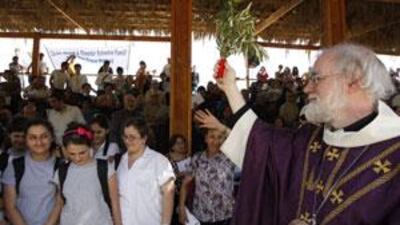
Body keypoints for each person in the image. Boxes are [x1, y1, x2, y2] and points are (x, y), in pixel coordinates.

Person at [202, 43, 400, 225]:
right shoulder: (308, 138)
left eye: (316, 79)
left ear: (354, 81)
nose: (307, 88)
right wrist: (230, 87)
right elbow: (261, 145)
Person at [53, 123, 122, 225]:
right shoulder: (62, 171)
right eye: (72, 154)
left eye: (82, 153)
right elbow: (59, 203)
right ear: (65, 150)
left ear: (91, 147)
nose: (77, 158)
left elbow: (115, 203)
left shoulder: (105, 168)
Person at [117, 117, 175, 225]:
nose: (127, 141)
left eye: (132, 137)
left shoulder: (159, 160)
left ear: (144, 138)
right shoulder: (122, 160)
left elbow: (168, 193)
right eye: (125, 137)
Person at [2, 119, 61, 225]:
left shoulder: (61, 166)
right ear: (26, 140)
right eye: (33, 137)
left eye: (44, 136)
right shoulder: (15, 166)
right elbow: (10, 206)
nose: (39, 142)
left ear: (52, 137)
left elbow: (59, 203)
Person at [179, 129, 236, 225]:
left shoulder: (231, 158)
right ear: (206, 139)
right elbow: (185, 185)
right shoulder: (197, 158)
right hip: (202, 215)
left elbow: (245, 143)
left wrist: (225, 129)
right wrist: (181, 208)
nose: (216, 141)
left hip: (226, 216)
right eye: (212, 137)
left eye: (220, 137)